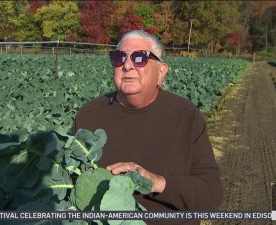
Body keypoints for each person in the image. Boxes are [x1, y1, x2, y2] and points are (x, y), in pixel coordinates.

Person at [73, 30, 222, 225]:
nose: (127, 65)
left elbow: (211, 194)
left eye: (140, 58)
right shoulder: (89, 116)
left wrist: (157, 182)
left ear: (161, 71)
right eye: (119, 58)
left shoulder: (185, 116)